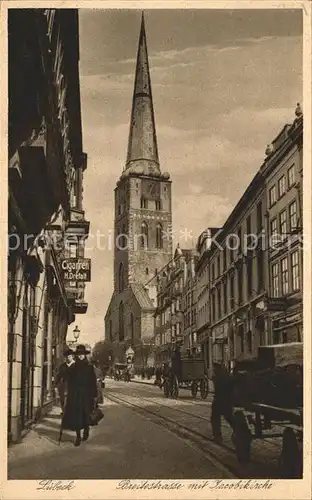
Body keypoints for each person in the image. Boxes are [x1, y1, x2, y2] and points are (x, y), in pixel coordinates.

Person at [61, 344, 98, 447]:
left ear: (85, 355)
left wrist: (94, 395)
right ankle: (78, 436)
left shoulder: (89, 367)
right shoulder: (73, 367)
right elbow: (68, 378)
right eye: (79, 354)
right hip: (75, 394)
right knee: (76, 416)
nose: (81, 356)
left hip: (86, 395)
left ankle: (86, 429)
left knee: (86, 414)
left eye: (82, 354)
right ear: (76, 355)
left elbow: (93, 382)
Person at [211, 362, 235, 443]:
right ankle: (237, 430)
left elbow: (217, 390)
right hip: (228, 401)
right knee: (229, 417)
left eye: (215, 369)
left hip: (219, 401)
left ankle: (217, 436)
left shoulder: (216, 378)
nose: (214, 370)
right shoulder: (228, 377)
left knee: (215, 417)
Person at [55, 347, 75, 414]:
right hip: (63, 385)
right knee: (63, 400)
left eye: (69, 356)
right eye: (66, 357)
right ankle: (64, 413)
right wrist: (56, 385)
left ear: (72, 357)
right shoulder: (62, 366)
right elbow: (59, 376)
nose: (68, 358)